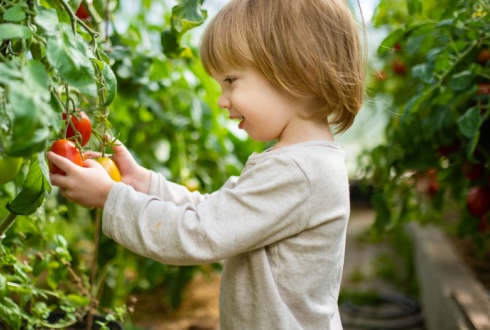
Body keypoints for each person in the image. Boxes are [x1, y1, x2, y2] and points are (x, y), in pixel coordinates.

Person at [47, 0, 365, 328]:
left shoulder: (299, 172)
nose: (221, 100)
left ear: (300, 69)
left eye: (231, 80)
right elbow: (219, 213)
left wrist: (110, 197)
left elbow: (201, 232)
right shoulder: (305, 161)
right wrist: (143, 184)